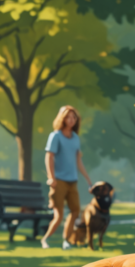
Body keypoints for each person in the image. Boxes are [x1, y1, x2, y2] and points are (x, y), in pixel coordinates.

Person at [42, 106, 93, 250]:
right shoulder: (55, 136)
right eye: (68, 117)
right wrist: (51, 177)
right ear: (62, 118)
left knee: (75, 210)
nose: (72, 120)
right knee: (59, 215)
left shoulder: (76, 138)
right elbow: (49, 157)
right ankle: (45, 239)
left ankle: (66, 240)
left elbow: (78, 161)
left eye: (74, 117)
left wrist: (88, 180)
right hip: (59, 181)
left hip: (73, 181)